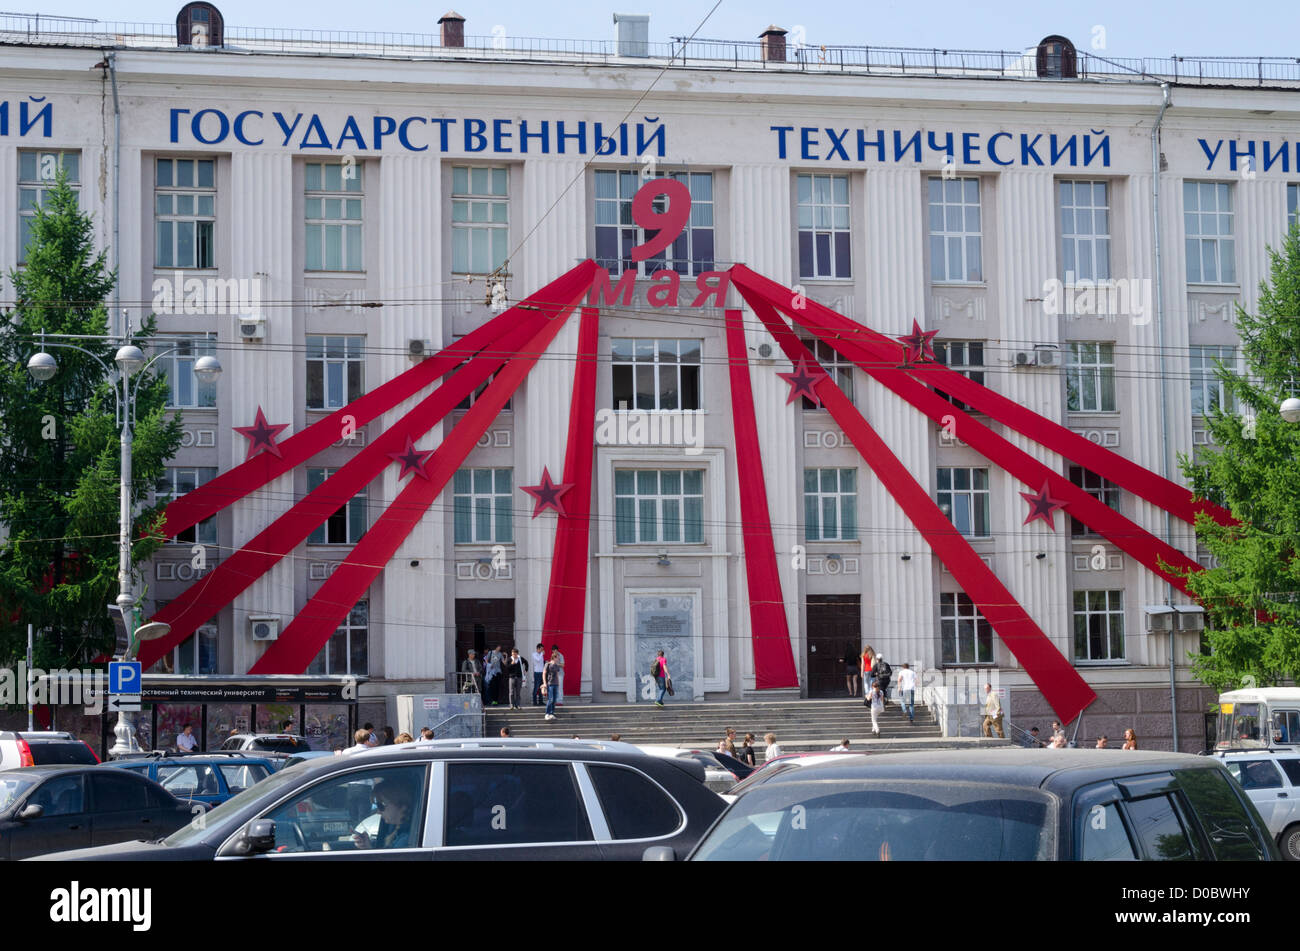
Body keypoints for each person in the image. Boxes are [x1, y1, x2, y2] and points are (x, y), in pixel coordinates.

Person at [353, 779, 415, 850]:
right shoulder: (400, 834)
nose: (378, 812)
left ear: (401, 805)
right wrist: (368, 847)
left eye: (381, 806)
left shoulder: (405, 841)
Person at [543, 648, 562, 720]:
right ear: (554, 657)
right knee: (550, 699)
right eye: (557, 657)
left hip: (555, 684)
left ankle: (552, 713)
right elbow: (544, 673)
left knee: (554, 700)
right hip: (550, 683)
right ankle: (547, 713)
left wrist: (558, 683)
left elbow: (557, 674)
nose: (558, 659)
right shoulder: (547, 664)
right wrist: (545, 683)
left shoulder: (557, 666)